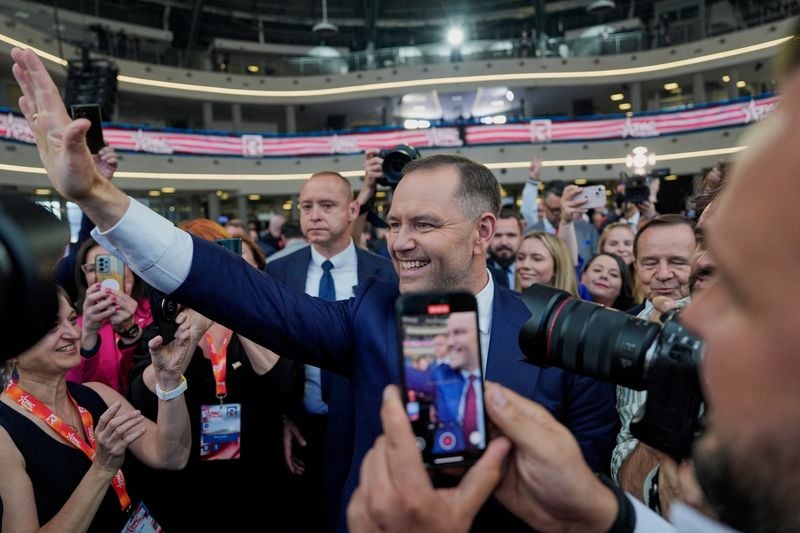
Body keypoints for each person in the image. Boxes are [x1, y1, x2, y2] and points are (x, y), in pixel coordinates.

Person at [13, 45, 618, 530]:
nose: (401, 242)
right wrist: (98, 196)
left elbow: (587, 500)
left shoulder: (557, 335)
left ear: (485, 231)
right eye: (396, 223)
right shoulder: (372, 314)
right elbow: (241, 292)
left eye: (425, 225)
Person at [126, 218, 296, 532]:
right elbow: (142, 394)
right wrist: (191, 328)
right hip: (188, 483)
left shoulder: (263, 322)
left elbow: (284, 384)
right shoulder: (168, 325)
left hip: (258, 477)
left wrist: (237, 307)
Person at [0, 288, 193, 532]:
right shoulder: (4, 434)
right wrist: (102, 468)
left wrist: (169, 382)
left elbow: (171, 456)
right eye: (51, 327)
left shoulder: (97, 394)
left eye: (72, 320)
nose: (72, 333)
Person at [267, 171, 396, 532]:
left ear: (353, 209)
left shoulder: (385, 274)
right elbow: (271, 351)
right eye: (306, 206)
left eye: (327, 206)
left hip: (366, 425)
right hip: (303, 425)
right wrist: (283, 416)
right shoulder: (279, 271)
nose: (314, 215)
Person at [67, 238, 152, 394]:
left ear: (132, 268)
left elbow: (158, 377)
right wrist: (88, 334)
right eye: (93, 268)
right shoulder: (72, 326)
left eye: (115, 265)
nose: (104, 276)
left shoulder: (157, 314)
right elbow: (73, 390)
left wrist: (129, 329)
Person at [405, 312, 485, 454]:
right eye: (448, 336)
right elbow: (412, 378)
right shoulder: (441, 372)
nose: (449, 343)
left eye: (458, 333)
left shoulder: (495, 371)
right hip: (449, 449)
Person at [529, 180, 599, 265]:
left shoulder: (588, 231)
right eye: (556, 210)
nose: (562, 214)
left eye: (566, 208)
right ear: (543, 205)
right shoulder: (530, 234)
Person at [514, 231, 579, 296]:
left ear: (556, 267)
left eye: (537, 259)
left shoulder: (577, 305)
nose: (525, 265)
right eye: (520, 258)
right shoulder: (506, 303)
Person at [487, 208, 523, 289]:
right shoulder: (480, 272)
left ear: (521, 237)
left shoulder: (531, 272)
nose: (504, 242)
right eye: (497, 235)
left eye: (511, 235)